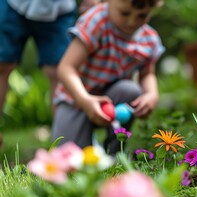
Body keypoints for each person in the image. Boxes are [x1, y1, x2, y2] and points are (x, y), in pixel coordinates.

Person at [51, 0, 165, 154]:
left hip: (112, 99)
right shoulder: (96, 22)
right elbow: (66, 68)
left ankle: (115, 153)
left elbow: (147, 73)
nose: (132, 22)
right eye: (124, 13)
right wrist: (85, 100)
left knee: (130, 90)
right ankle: (87, 143)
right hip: (76, 99)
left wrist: (152, 94)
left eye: (142, 16)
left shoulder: (148, 39)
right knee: (68, 158)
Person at [0, 0, 100, 149]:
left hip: (60, 10)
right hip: (13, 5)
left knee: (61, 70)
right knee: (2, 65)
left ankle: (67, 142)